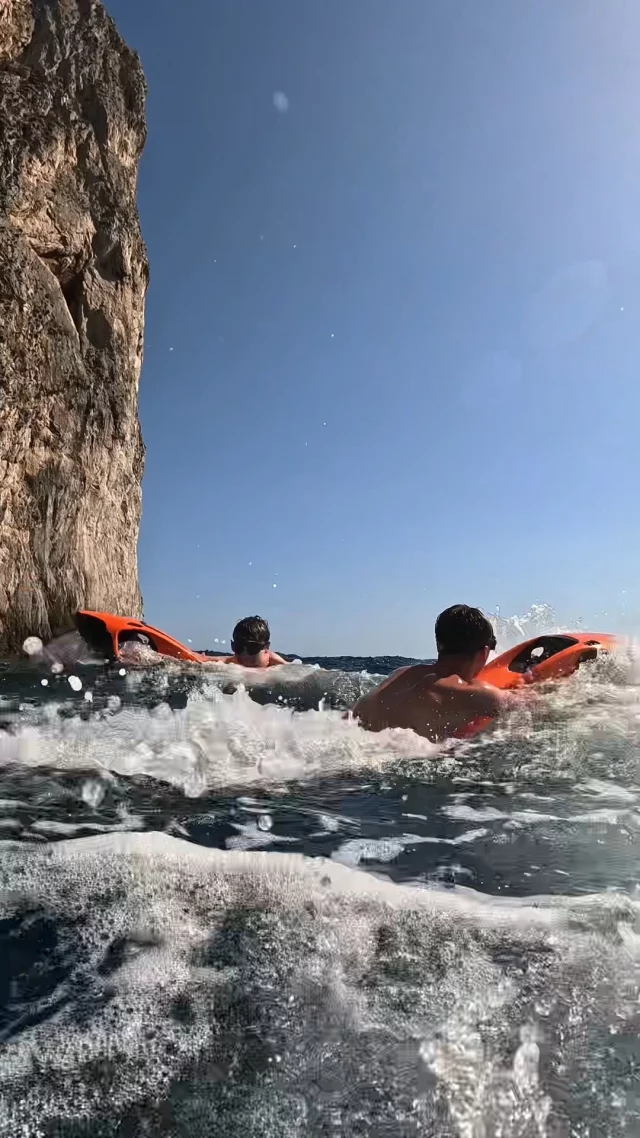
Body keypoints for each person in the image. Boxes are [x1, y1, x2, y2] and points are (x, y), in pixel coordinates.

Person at [352, 604, 531, 743]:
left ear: (439, 645)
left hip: (348, 750)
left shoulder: (400, 674)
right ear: (484, 652)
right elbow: (534, 708)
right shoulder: (472, 692)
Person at [207, 615, 288, 669]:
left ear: (266, 647)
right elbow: (208, 659)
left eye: (253, 648)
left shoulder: (278, 664)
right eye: (239, 648)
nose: (245, 658)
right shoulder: (234, 660)